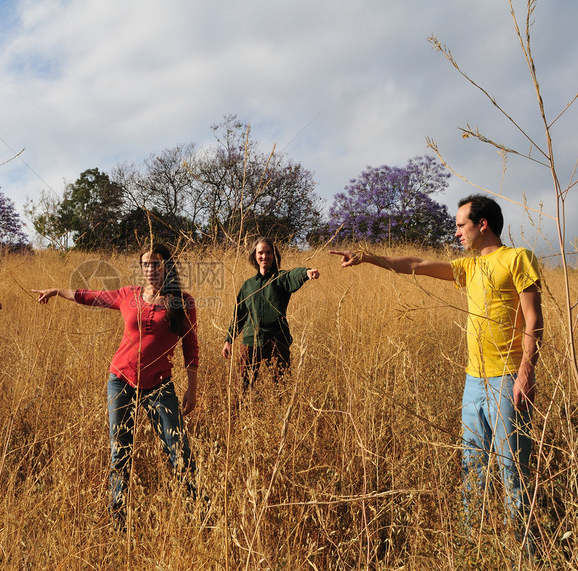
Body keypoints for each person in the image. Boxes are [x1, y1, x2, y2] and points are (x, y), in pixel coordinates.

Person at [330, 194, 542, 553]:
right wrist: (369, 258)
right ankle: (469, 548)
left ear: (483, 224)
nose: (457, 232)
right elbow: (416, 263)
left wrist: (526, 372)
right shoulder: (469, 268)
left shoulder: (517, 258)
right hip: (473, 383)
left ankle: (526, 553)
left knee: (514, 471)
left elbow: (534, 321)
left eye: (461, 225)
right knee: (472, 468)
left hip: (508, 380)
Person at [32, 243, 201, 530]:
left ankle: (198, 511)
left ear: (167, 267)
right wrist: (59, 291)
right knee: (120, 450)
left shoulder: (183, 301)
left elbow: (191, 344)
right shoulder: (129, 294)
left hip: (160, 385)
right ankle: (119, 519)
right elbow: (93, 297)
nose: (150, 270)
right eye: (145, 264)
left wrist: (192, 387)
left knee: (178, 449)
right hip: (121, 381)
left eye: (156, 264)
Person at [222, 237, 320, 391]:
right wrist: (229, 339)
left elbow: (292, 275)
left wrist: (306, 272)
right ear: (255, 255)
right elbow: (239, 315)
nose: (264, 256)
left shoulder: (280, 278)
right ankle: (240, 414)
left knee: (281, 387)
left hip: (277, 339)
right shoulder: (248, 285)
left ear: (274, 256)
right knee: (242, 387)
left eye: (268, 252)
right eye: (260, 252)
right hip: (251, 341)